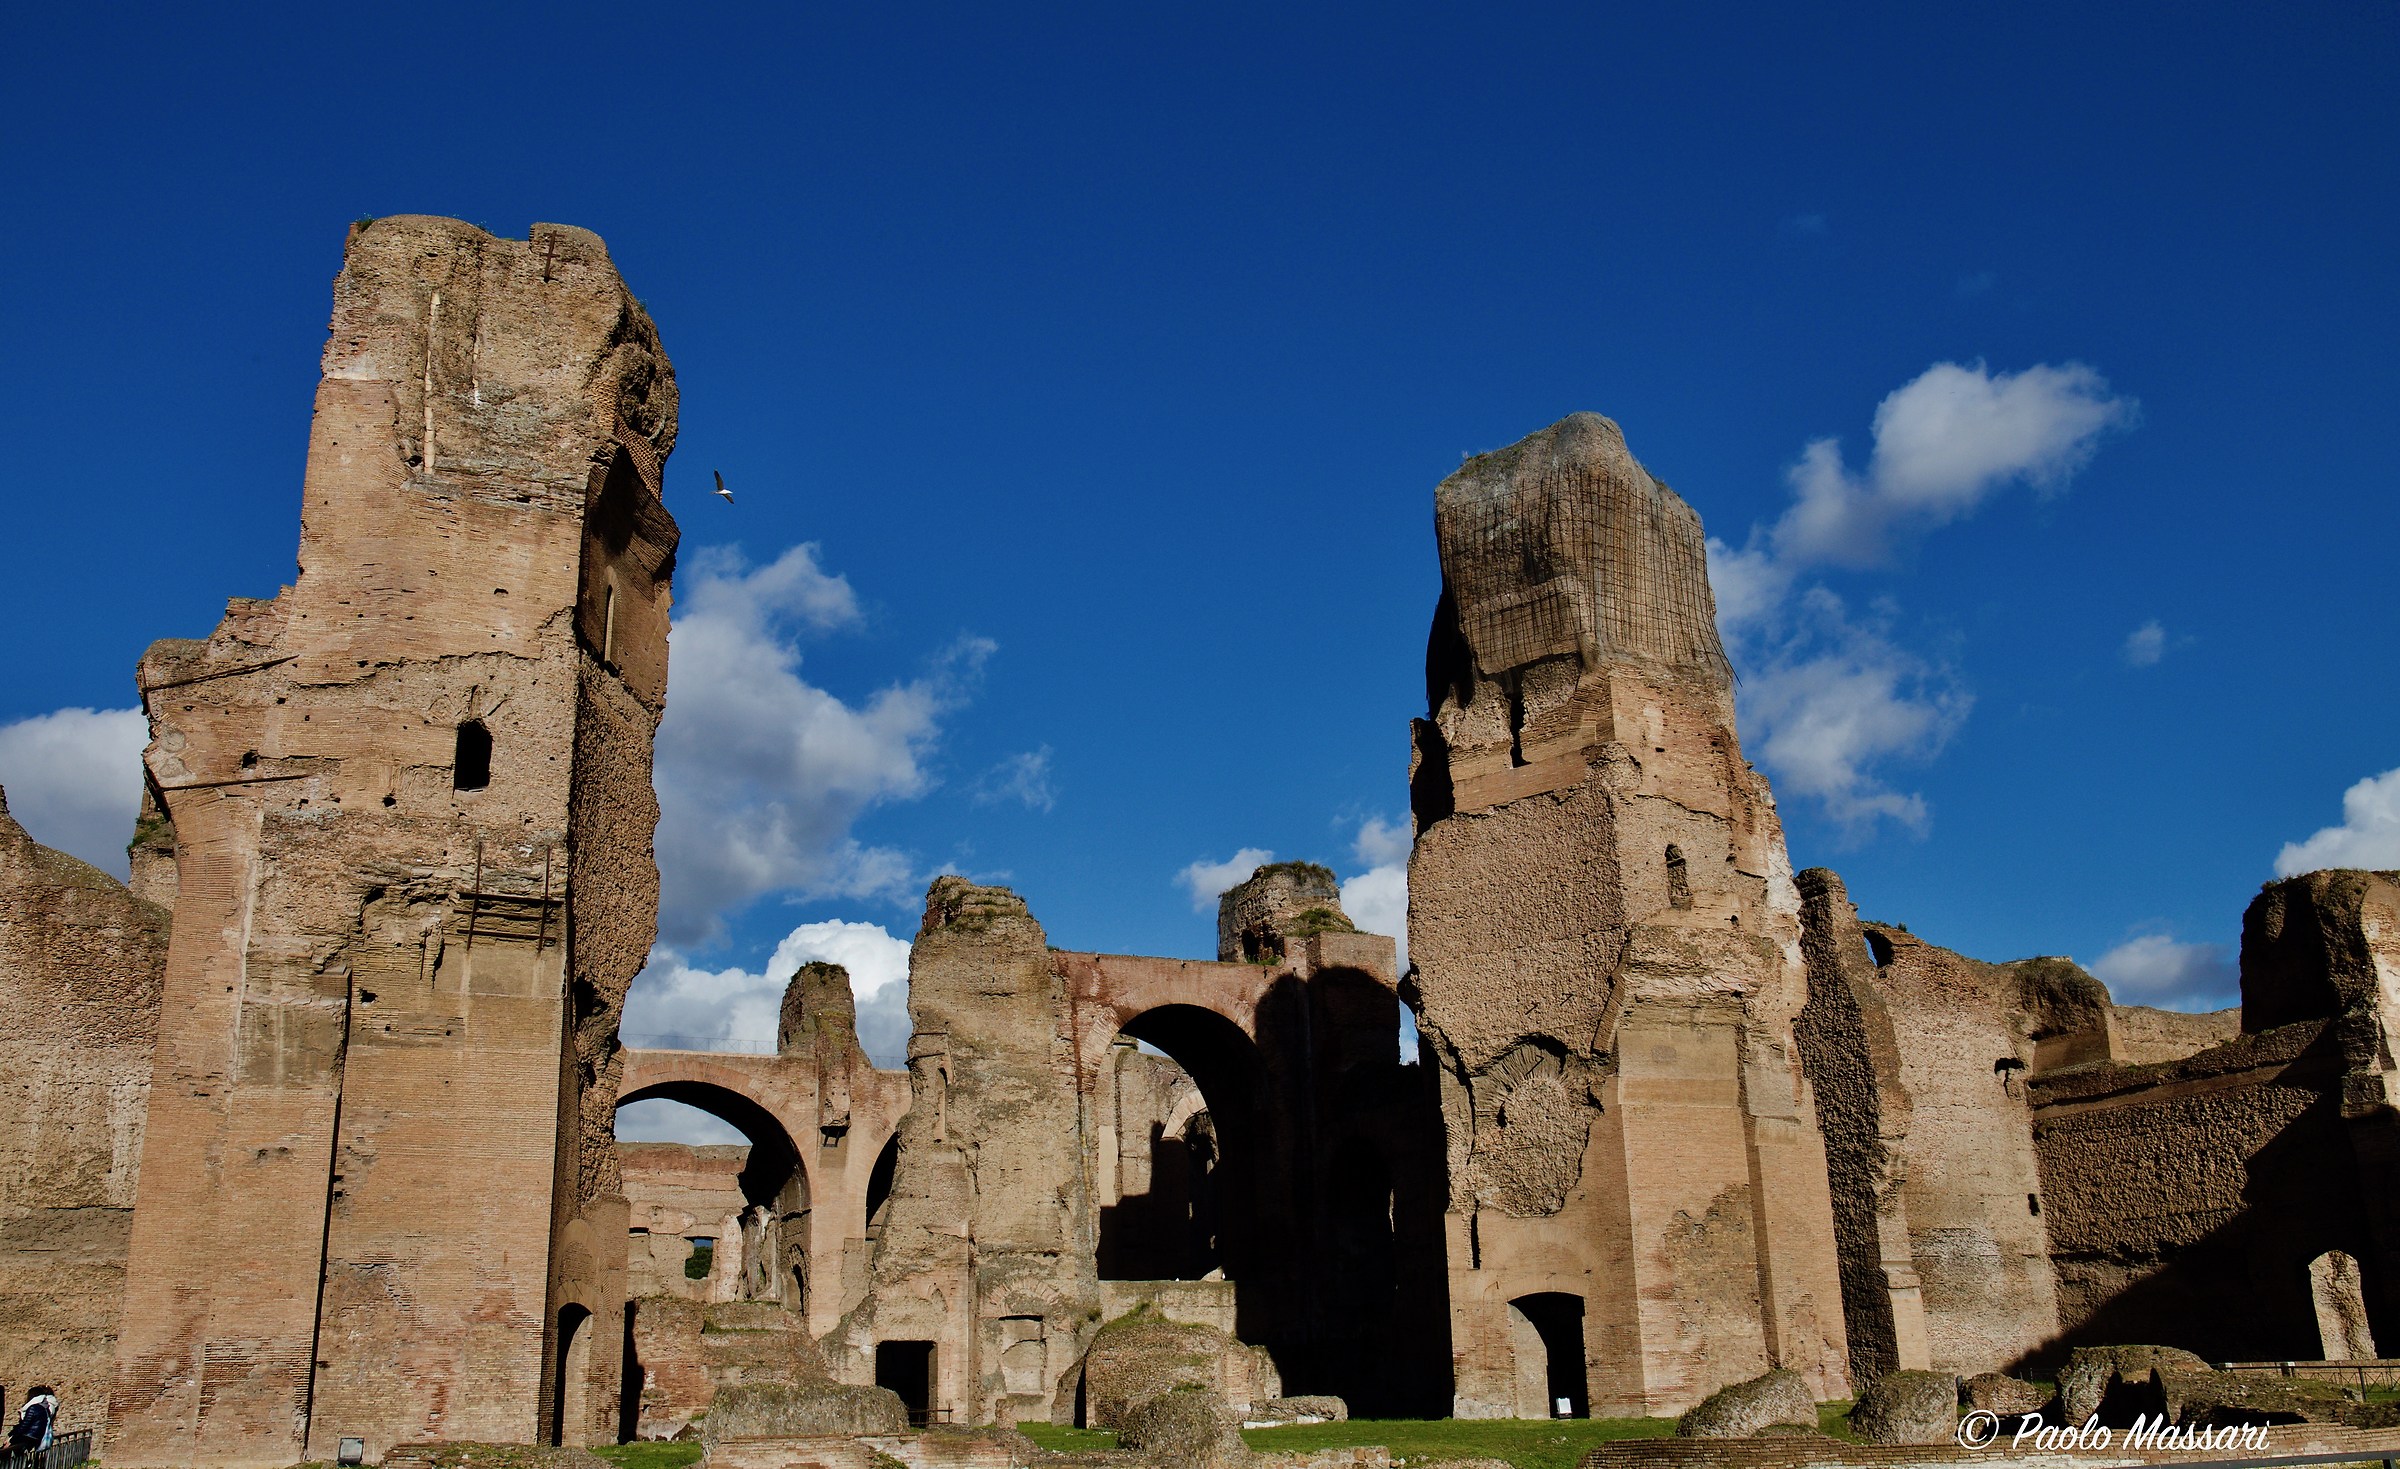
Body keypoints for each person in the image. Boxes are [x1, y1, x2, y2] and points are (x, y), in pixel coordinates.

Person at [6, 1387, 56, 1458]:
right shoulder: (44, 1408)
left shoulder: (33, 1408)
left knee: (7, 1452)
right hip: (36, 1438)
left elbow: (24, 1425)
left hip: (29, 1437)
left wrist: (11, 1439)